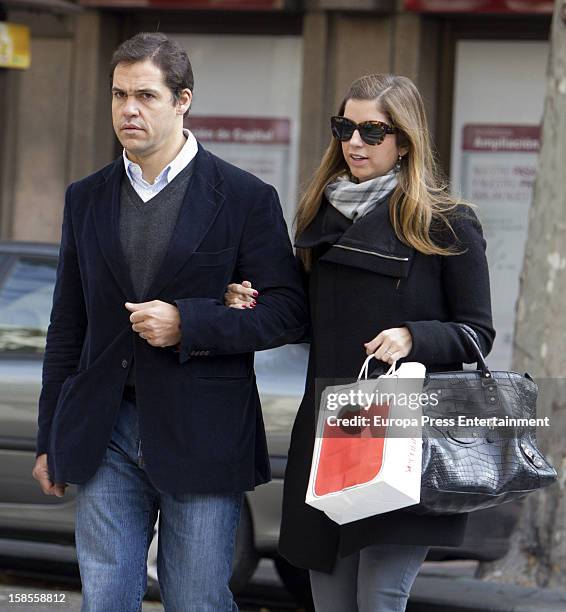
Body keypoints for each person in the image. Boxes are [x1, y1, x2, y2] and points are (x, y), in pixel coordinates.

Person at [31, 32, 308, 612]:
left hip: (203, 431)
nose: (128, 110)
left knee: (196, 599)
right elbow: (67, 326)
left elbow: (287, 311)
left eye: (146, 96)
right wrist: (49, 438)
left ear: (183, 101)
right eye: (119, 95)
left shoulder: (243, 197)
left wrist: (191, 322)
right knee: (104, 596)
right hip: (105, 427)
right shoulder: (87, 197)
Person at [224, 74, 495, 611]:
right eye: (345, 127)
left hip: (403, 434)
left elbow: (476, 333)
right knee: (330, 594)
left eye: (373, 131)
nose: (354, 142)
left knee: (379, 596)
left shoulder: (446, 223)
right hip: (331, 431)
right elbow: (305, 320)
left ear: (404, 140)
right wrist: (252, 302)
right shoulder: (318, 218)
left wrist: (412, 336)